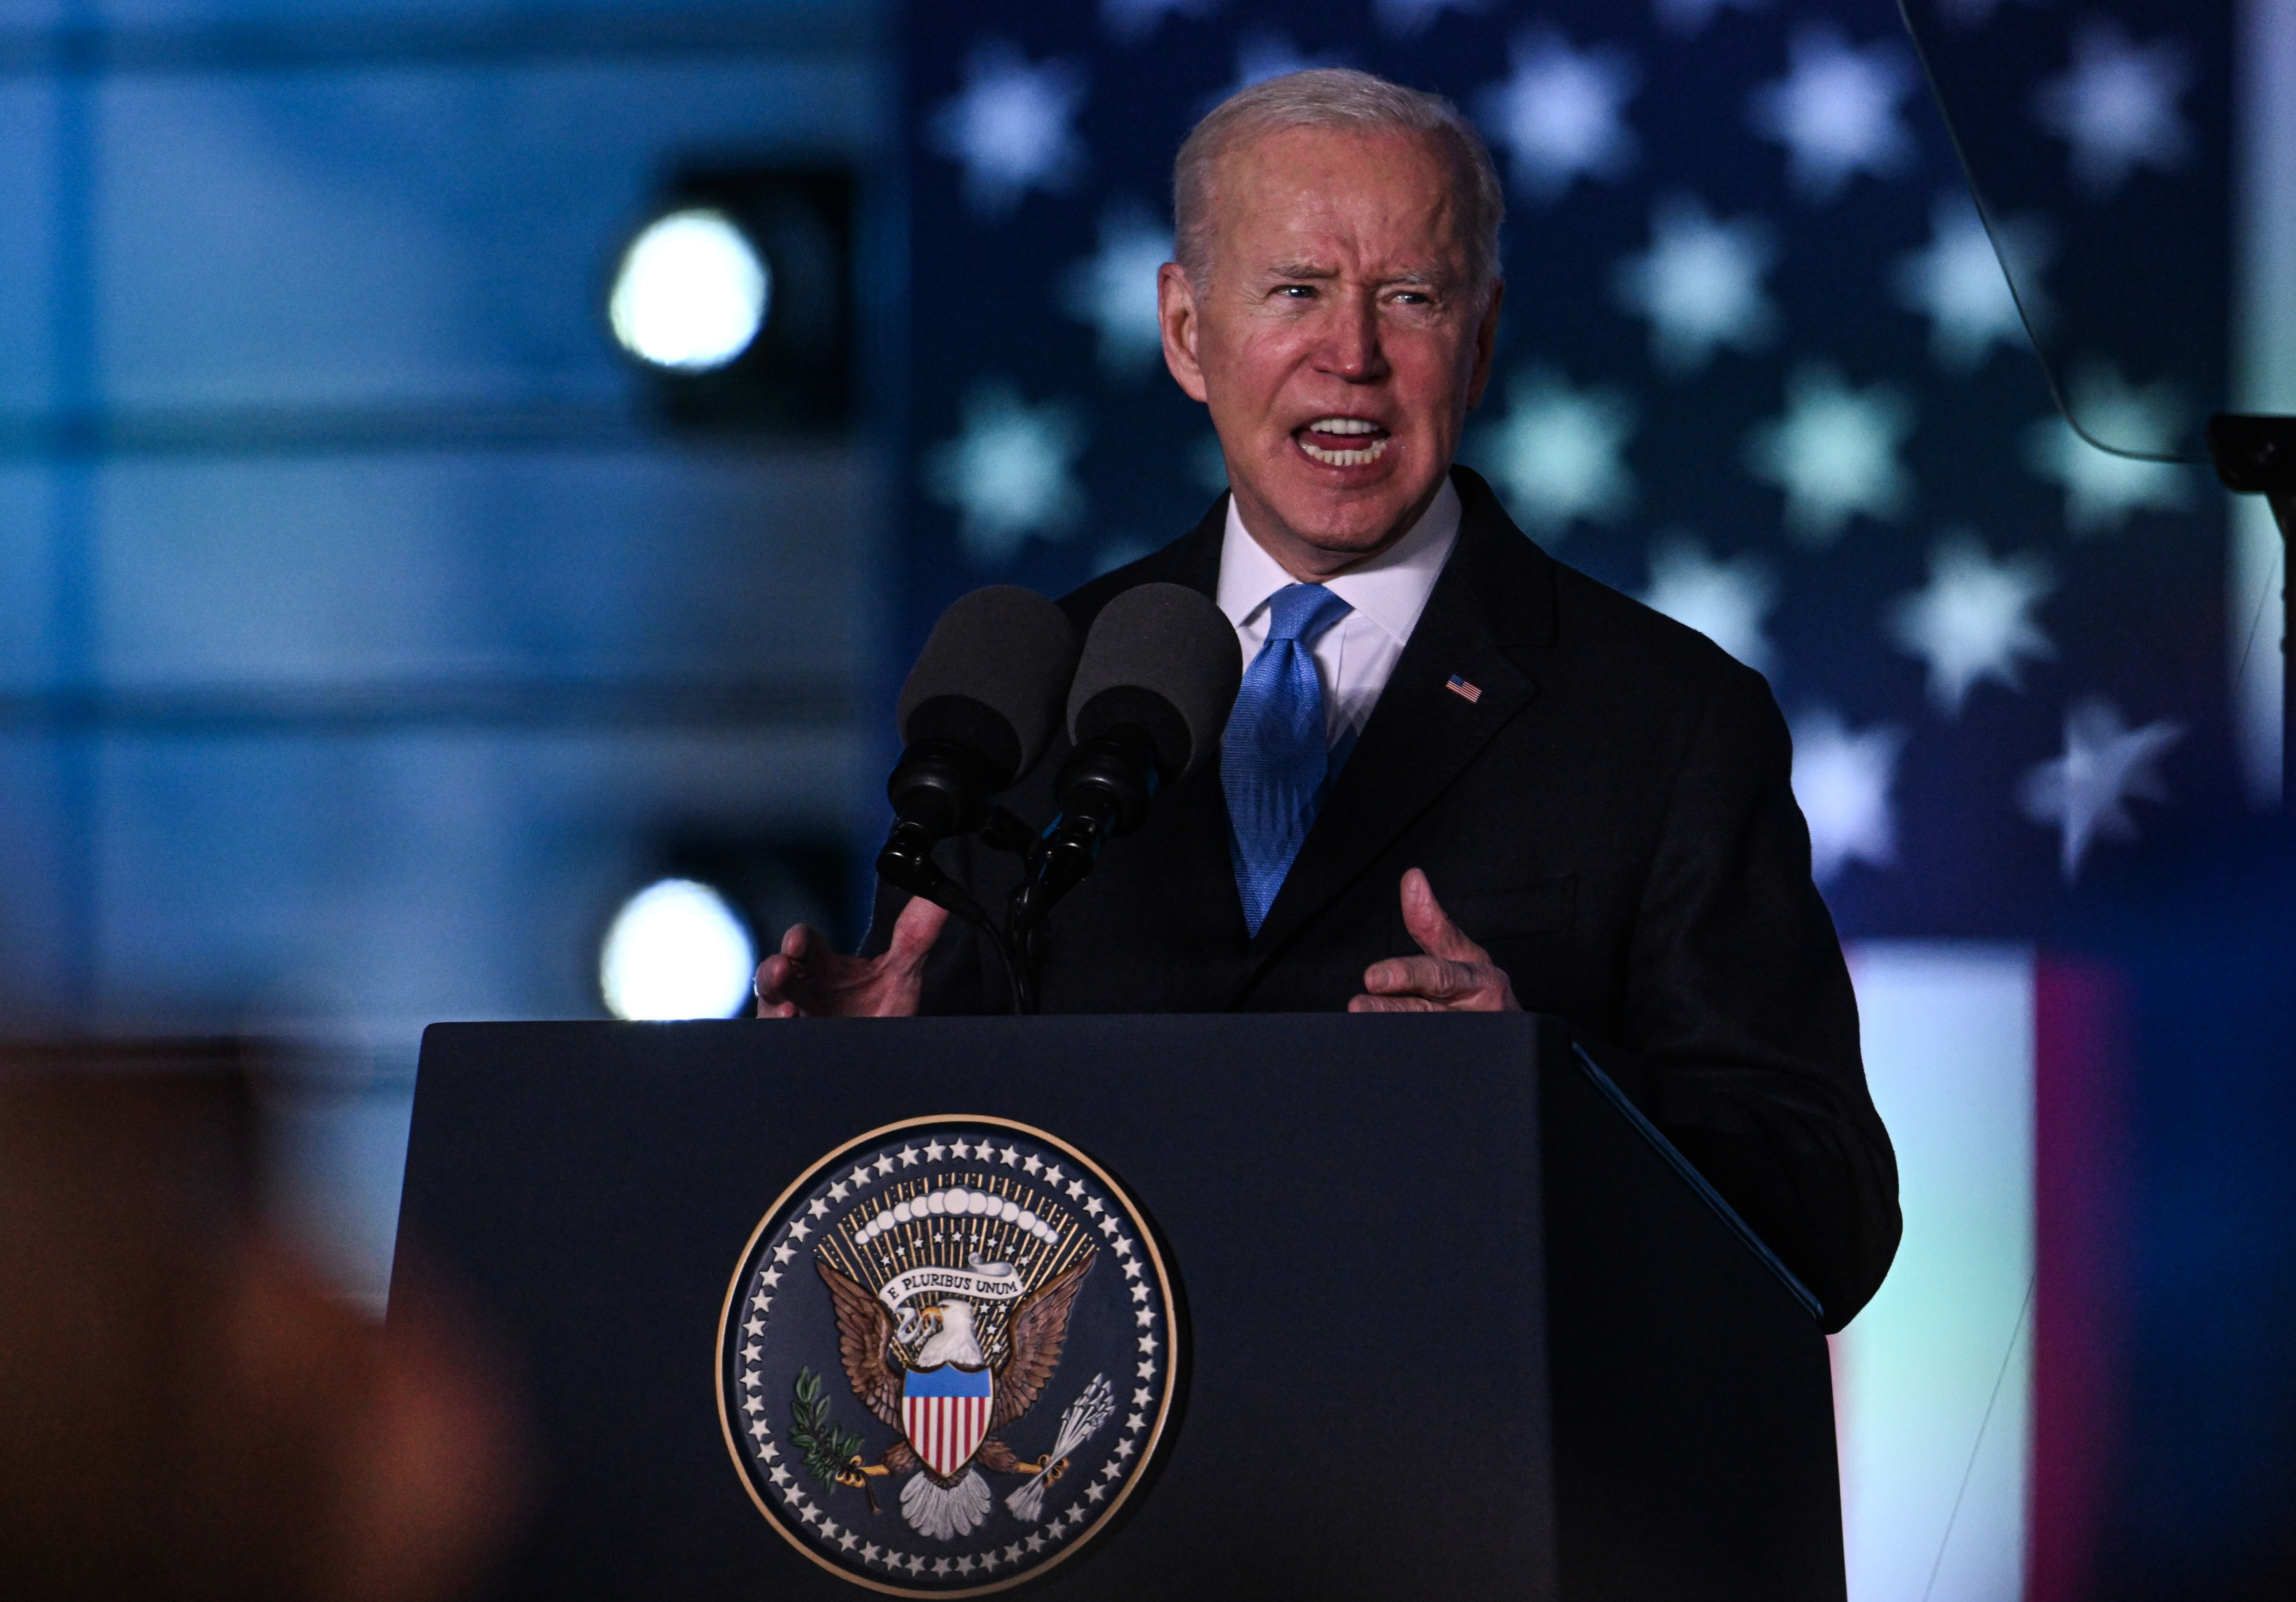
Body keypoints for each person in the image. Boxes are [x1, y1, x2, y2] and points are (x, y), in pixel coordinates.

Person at [758, 69, 1899, 1329]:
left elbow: (1828, 1216)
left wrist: (1544, 1093)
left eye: (1411, 297)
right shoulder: (1031, 691)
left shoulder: (1670, 718)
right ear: (1187, 331)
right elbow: (915, 1230)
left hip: (1468, 1445)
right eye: (1296, 291)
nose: (1352, 357)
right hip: (1103, 1448)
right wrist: (848, 1091)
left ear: (1480, 338)